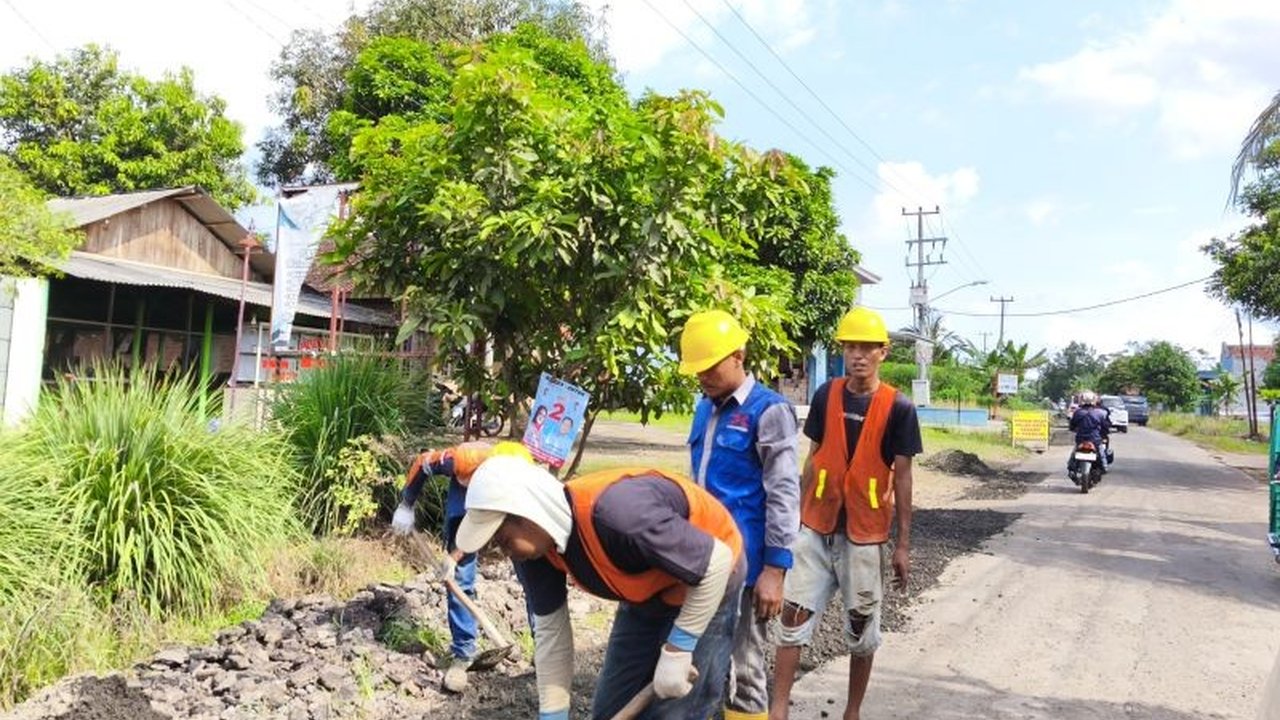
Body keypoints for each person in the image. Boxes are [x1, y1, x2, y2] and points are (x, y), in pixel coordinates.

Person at [455, 455, 747, 720]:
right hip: (648, 593)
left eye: (503, 540)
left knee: (676, 712)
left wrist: (679, 648)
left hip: (709, 580)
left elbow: (715, 563)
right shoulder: (535, 552)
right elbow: (551, 635)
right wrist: (553, 714)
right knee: (610, 710)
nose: (504, 552)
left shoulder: (619, 517)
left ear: (528, 513)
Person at [770, 306, 922, 720]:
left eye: (867, 347)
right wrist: (791, 522)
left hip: (865, 535)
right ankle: (778, 710)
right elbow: (813, 458)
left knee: (861, 627)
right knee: (793, 615)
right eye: (851, 346)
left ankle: (851, 713)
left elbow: (904, 479)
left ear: (883, 353)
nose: (858, 354)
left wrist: (903, 545)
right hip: (816, 526)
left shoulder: (899, 408)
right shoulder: (826, 395)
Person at [678, 309, 800, 720]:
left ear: (738, 355)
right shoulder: (704, 409)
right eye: (697, 371)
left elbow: (783, 493)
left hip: (748, 570)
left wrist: (775, 570)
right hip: (705, 562)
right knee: (705, 667)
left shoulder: (769, 411)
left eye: (710, 367)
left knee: (744, 671)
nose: (703, 377)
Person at [390, 440, 533, 693]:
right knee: (459, 578)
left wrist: (454, 556)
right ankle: (463, 652)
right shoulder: (461, 459)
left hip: (514, 507)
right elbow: (423, 463)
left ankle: (545, 653)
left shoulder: (520, 477)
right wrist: (407, 504)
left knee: (532, 577)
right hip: (465, 508)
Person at [1068, 391, 1110, 473]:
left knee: (1074, 452)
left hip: (1080, 439)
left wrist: (1074, 429)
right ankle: (1105, 467)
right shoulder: (1099, 413)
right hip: (1095, 439)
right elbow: (1105, 426)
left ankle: (1071, 465)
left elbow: (1072, 425)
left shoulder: (1077, 412)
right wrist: (1105, 432)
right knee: (1101, 453)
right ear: (1094, 400)